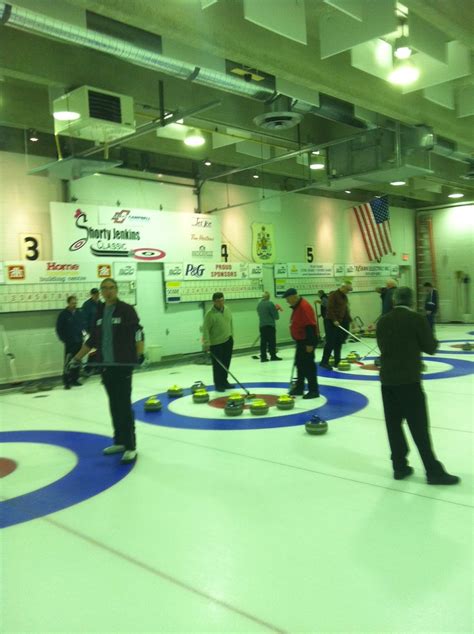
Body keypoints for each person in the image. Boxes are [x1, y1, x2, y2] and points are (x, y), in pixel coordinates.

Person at [376, 287, 459, 485]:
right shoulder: (417, 320)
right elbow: (430, 348)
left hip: (387, 381)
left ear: (394, 301)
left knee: (393, 425)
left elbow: (383, 347)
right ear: (412, 302)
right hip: (409, 382)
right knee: (419, 428)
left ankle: (399, 466)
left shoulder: (383, 321)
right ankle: (433, 471)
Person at [69, 278, 144, 464]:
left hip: (123, 366)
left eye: (111, 288)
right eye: (105, 289)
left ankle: (130, 446)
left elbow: (138, 332)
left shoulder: (126, 310)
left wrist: (140, 353)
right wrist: (77, 358)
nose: (108, 291)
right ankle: (119, 441)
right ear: (100, 292)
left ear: (117, 290)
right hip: (106, 367)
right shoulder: (99, 312)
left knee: (124, 406)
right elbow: (92, 340)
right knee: (114, 405)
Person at [283, 288, 319, 399]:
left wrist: (309, 344)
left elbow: (310, 326)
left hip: (307, 341)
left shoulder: (304, 307)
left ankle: (314, 390)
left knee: (308, 366)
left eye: (287, 299)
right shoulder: (298, 306)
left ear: (293, 296)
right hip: (301, 341)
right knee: (299, 364)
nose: (287, 301)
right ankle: (299, 387)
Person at [202, 292, 234, 392]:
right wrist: (206, 343)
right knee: (217, 365)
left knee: (226, 363)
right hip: (216, 343)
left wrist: (232, 335)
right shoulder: (209, 314)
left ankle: (224, 381)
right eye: (218, 301)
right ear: (214, 302)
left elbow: (231, 323)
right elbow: (205, 329)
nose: (220, 303)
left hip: (228, 340)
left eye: (222, 300)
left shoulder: (227, 310)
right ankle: (218, 384)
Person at [320, 282, 352, 370]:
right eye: (347, 290)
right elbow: (329, 309)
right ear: (343, 287)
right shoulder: (333, 295)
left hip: (339, 322)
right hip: (330, 321)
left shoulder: (344, 296)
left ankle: (337, 360)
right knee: (330, 342)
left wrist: (350, 321)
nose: (348, 292)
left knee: (338, 342)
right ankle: (324, 361)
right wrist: (334, 320)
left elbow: (345, 310)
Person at [55, 295, 84, 389]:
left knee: (77, 361)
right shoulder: (63, 314)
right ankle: (67, 382)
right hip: (69, 342)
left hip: (79, 341)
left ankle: (75, 379)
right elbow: (59, 329)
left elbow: (82, 325)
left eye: (75, 303)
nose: (74, 305)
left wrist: (82, 336)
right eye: (72, 303)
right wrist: (64, 339)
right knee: (68, 363)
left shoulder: (79, 313)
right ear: (68, 303)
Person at [257, 291, 282, 362]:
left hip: (262, 326)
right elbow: (276, 317)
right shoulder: (270, 304)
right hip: (270, 326)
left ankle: (263, 357)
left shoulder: (259, 305)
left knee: (263, 342)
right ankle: (273, 356)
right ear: (268, 297)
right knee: (271, 342)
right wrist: (276, 309)